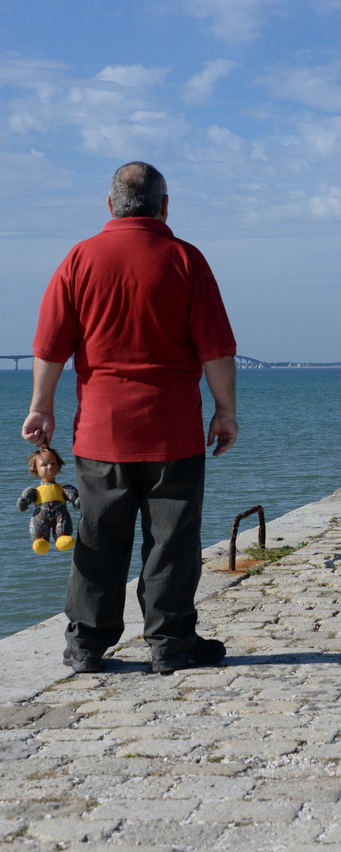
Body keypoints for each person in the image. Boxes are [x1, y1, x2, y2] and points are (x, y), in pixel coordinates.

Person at [21, 161, 238, 675]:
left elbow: (50, 348)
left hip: (100, 433)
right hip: (173, 433)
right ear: (164, 206)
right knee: (172, 541)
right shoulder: (186, 259)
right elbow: (217, 351)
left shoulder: (79, 259)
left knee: (98, 536)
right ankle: (171, 643)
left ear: (110, 205)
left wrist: (41, 406)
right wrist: (225, 412)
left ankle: (87, 646)